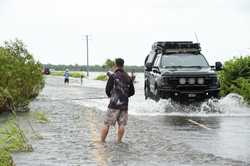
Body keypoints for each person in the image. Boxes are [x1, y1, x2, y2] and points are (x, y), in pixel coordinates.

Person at [100, 58, 135, 143]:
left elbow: (107, 89)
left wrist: (110, 96)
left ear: (115, 65)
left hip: (114, 104)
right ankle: (119, 141)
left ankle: (102, 141)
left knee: (106, 124)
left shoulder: (113, 76)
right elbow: (132, 92)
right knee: (122, 124)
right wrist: (125, 96)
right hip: (124, 105)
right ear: (123, 65)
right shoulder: (128, 77)